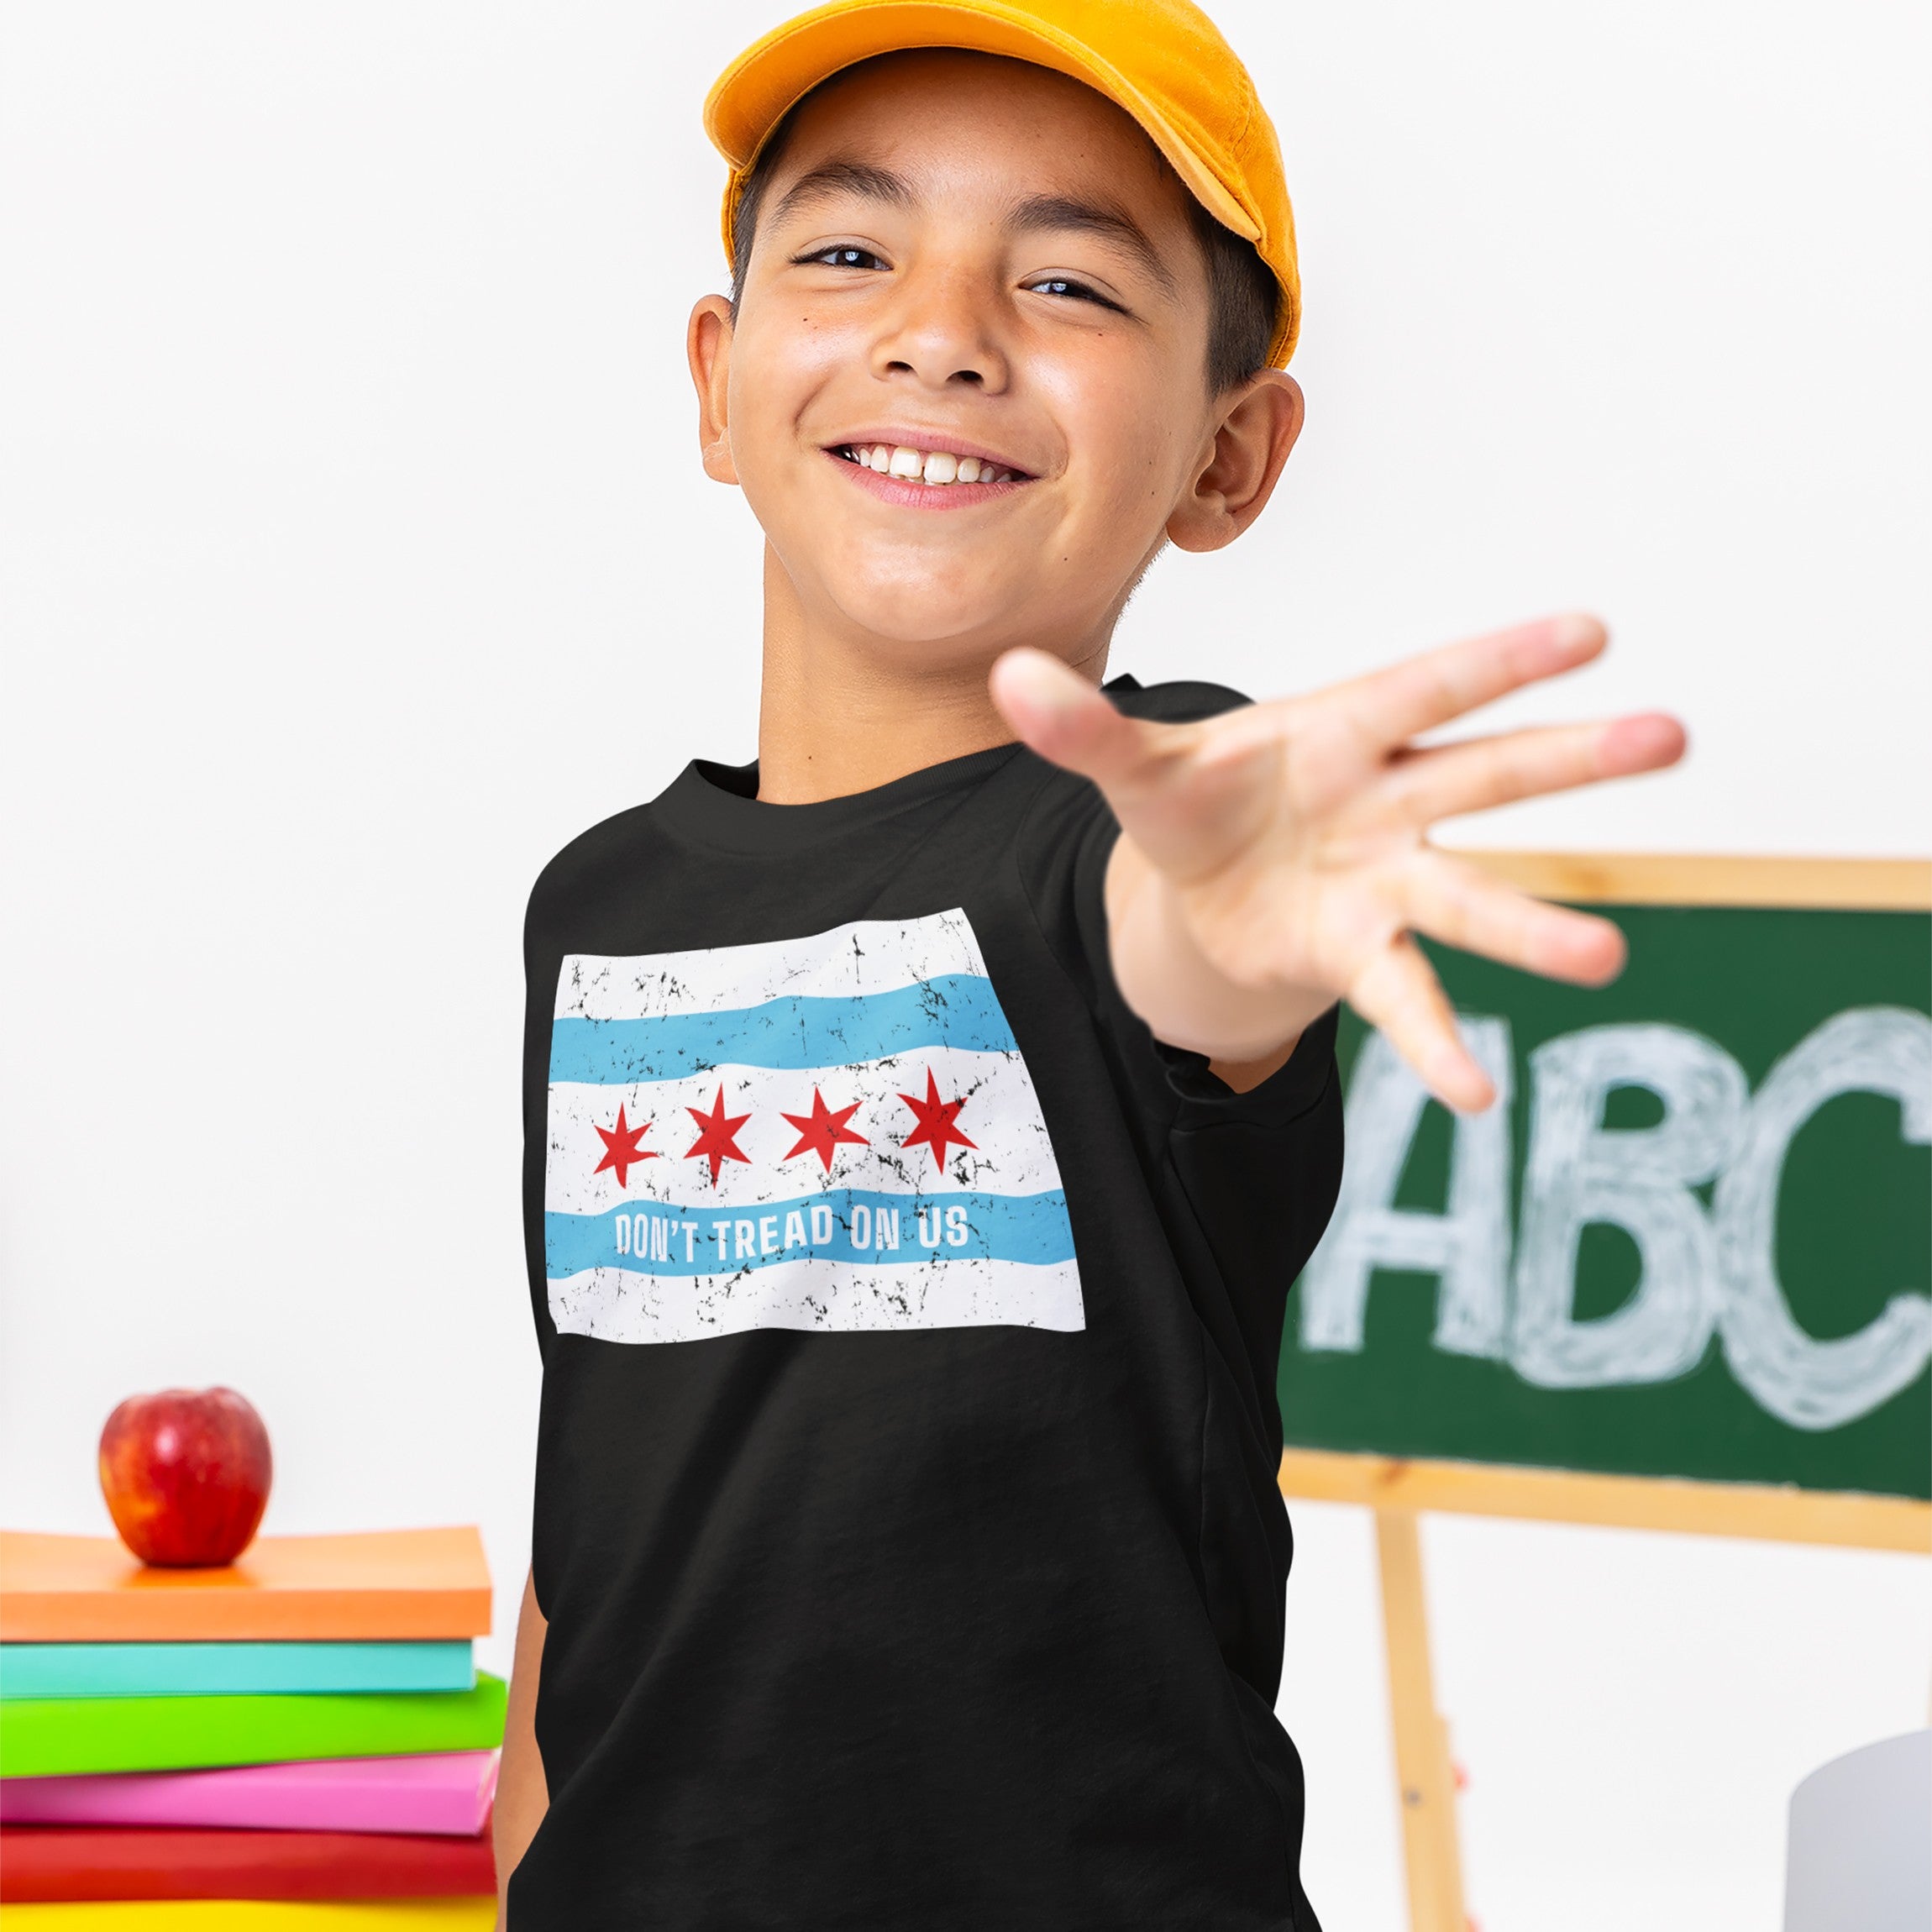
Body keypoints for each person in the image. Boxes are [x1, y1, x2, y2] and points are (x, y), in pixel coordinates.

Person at [492, 2, 1684, 1924]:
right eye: (852, 251)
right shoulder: (597, 906)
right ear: (717, 383)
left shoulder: (1156, 834)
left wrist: (1229, 912)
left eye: (1064, 281)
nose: (942, 329)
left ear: (1230, 453)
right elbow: (610, 1457)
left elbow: (1183, 946)